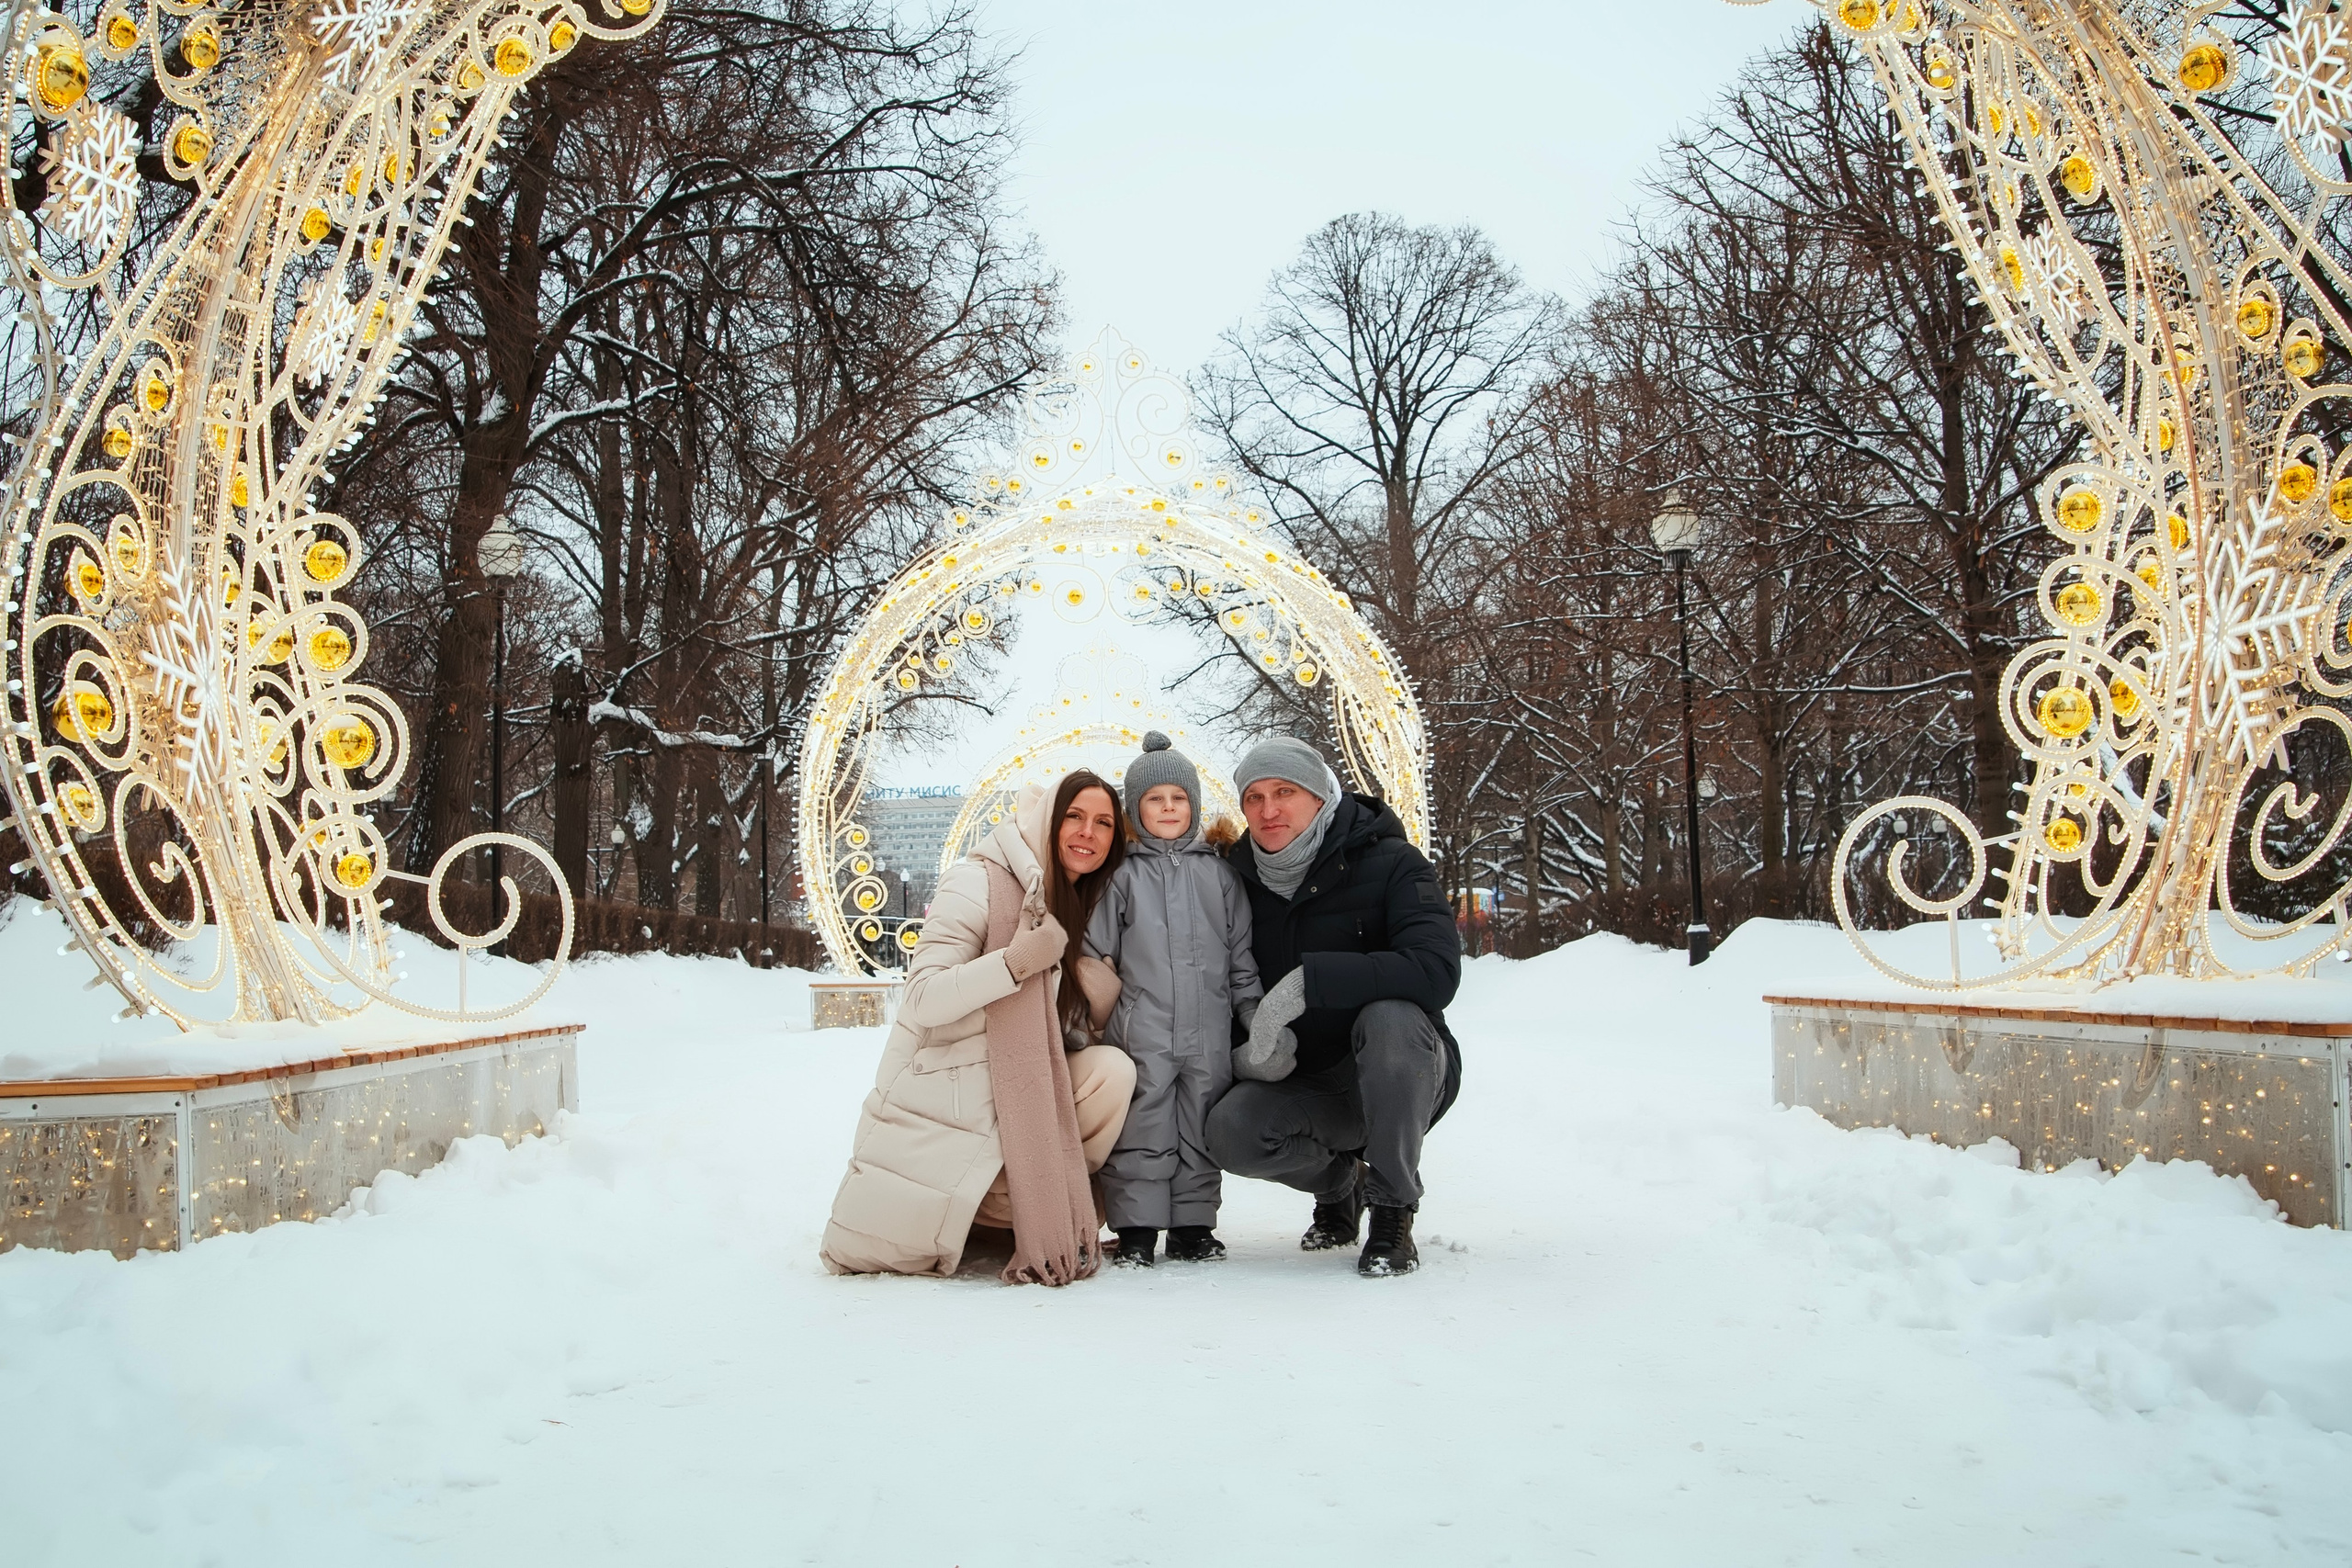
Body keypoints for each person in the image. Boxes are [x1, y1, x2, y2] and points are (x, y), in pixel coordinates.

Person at [820, 771, 1135, 1285]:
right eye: (1074, 816)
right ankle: (993, 1207)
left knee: (1112, 1072)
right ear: (1048, 821)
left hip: (1016, 1095)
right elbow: (923, 998)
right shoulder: (977, 881)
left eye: (1103, 823)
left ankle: (1031, 1205)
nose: (1088, 832)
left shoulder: (1081, 906)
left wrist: (1091, 994)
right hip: (952, 1090)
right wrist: (1014, 963)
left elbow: (1050, 1033)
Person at [1207, 738, 1462, 1277]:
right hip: (1309, 1082)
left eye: (1285, 792)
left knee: (1390, 1016)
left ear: (1321, 796)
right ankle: (1342, 1183)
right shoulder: (1234, 881)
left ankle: (1392, 1210)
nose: (1268, 810)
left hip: (1402, 1069)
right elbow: (1221, 982)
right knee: (1231, 1131)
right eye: (1254, 797)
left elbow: (1436, 971)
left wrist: (1313, 981)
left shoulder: (1393, 863)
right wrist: (1249, 1047)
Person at [1086, 732, 1262, 1268]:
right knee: (1143, 1124)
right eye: (1155, 799)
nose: (1168, 808)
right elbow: (1095, 956)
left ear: (1194, 805)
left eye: (1178, 798)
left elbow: (1241, 957)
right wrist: (1086, 1020)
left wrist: (1252, 1015)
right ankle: (1137, 1229)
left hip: (1208, 1031)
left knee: (1200, 1125)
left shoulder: (1220, 875)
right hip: (1143, 1029)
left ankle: (1193, 1227)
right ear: (1135, 810)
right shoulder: (1121, 876)